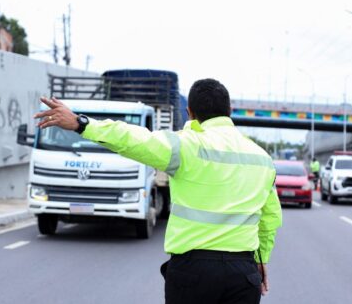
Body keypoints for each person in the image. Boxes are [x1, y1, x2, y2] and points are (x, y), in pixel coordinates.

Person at [34, 78, 283, 304]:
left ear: (190, 113)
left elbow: (133, 139)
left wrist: (81, 124)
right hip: (243, 273)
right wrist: (261, 259)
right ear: (229, 112)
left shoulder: (185, 146)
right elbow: (270, 218)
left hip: (193, 272)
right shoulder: (262, 159)